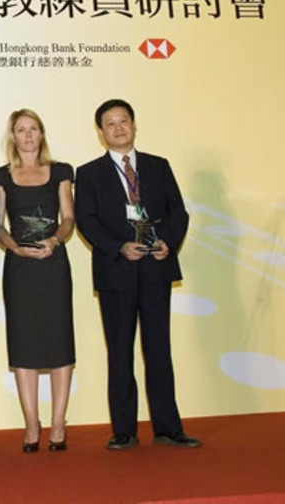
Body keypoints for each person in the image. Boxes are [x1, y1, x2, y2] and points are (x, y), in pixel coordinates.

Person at [75, 99, 201, 450]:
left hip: (155, 269)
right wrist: (119, 247)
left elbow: (179, 213)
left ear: (134, 125)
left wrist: (168, 243)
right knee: (120, 352)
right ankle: (124, 430)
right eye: (110, 123)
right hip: (117, 271)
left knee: (159, 349)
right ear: (101, 133)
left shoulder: (158, 166)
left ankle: (167, 428)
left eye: (124, 121)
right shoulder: (88, 173)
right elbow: (87, 221)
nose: (118, 128)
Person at [0, 109, 75, 453]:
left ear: (42, 134)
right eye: (21, 130)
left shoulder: (61, 172)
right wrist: (15, 249)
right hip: (20, 267)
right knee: (23, 343)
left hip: (54, 265)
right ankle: (30, 423)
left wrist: (54, 241)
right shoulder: (0, 176)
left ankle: (57, 423)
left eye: (33, 129)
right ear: (12, 136)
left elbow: (68, 218)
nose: (27, 136)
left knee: (59, 342)